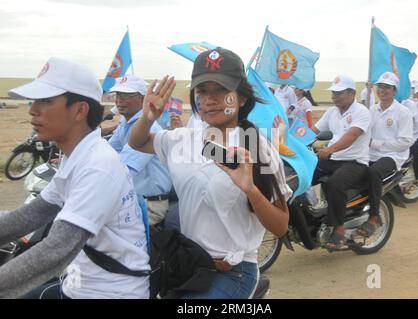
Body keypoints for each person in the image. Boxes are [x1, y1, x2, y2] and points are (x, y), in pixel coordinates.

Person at [128, 47, 292, 299]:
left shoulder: (258, 147)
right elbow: (137, 142)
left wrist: (251, 190)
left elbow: (280, 226)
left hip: (233, 272)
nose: (210, 99)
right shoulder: (182, 140)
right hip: (187, 263)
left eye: (221, 90)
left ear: (241, 98)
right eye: (202, 91)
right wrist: (148, 117)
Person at [0, 57, 149, 298]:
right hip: (78, 285)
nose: (33, 110)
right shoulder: (77, 157)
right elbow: (32, 214)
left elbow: (57, 249)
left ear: (80, 110)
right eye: (34, 100)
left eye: (45, 101)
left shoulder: (97, 167)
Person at [311, 74, 371, 250]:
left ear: (351, 93)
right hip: (333, 159)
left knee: (334, 184)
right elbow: (313, 130)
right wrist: (290, 141)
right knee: (302, 173)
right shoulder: (332, 111)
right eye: (333, 93)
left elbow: (351, 136)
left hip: (354, 162)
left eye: (338, 93)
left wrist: (329, 149)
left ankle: (339, 229)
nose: (334, 97)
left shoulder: (361, 112)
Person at [108, 75, 172, 225]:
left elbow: (124, 168)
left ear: (144, 99)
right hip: (130, 200)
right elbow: (108, 151)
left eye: (126, 95)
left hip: (148, 205)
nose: (119, 100)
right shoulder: (125, 124)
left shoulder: (149, 128)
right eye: (117, 95)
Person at [357, 72, 413, 237]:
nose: (382, 90)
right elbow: (364, 134)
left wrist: (376, 144)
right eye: (380, 86)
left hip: (393, 157)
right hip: (370, 154)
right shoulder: (372, 110)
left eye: (387, 87)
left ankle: (373, 218)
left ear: (394, 91)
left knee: (373, 173)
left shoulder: (402, 112)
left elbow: (406, 141)